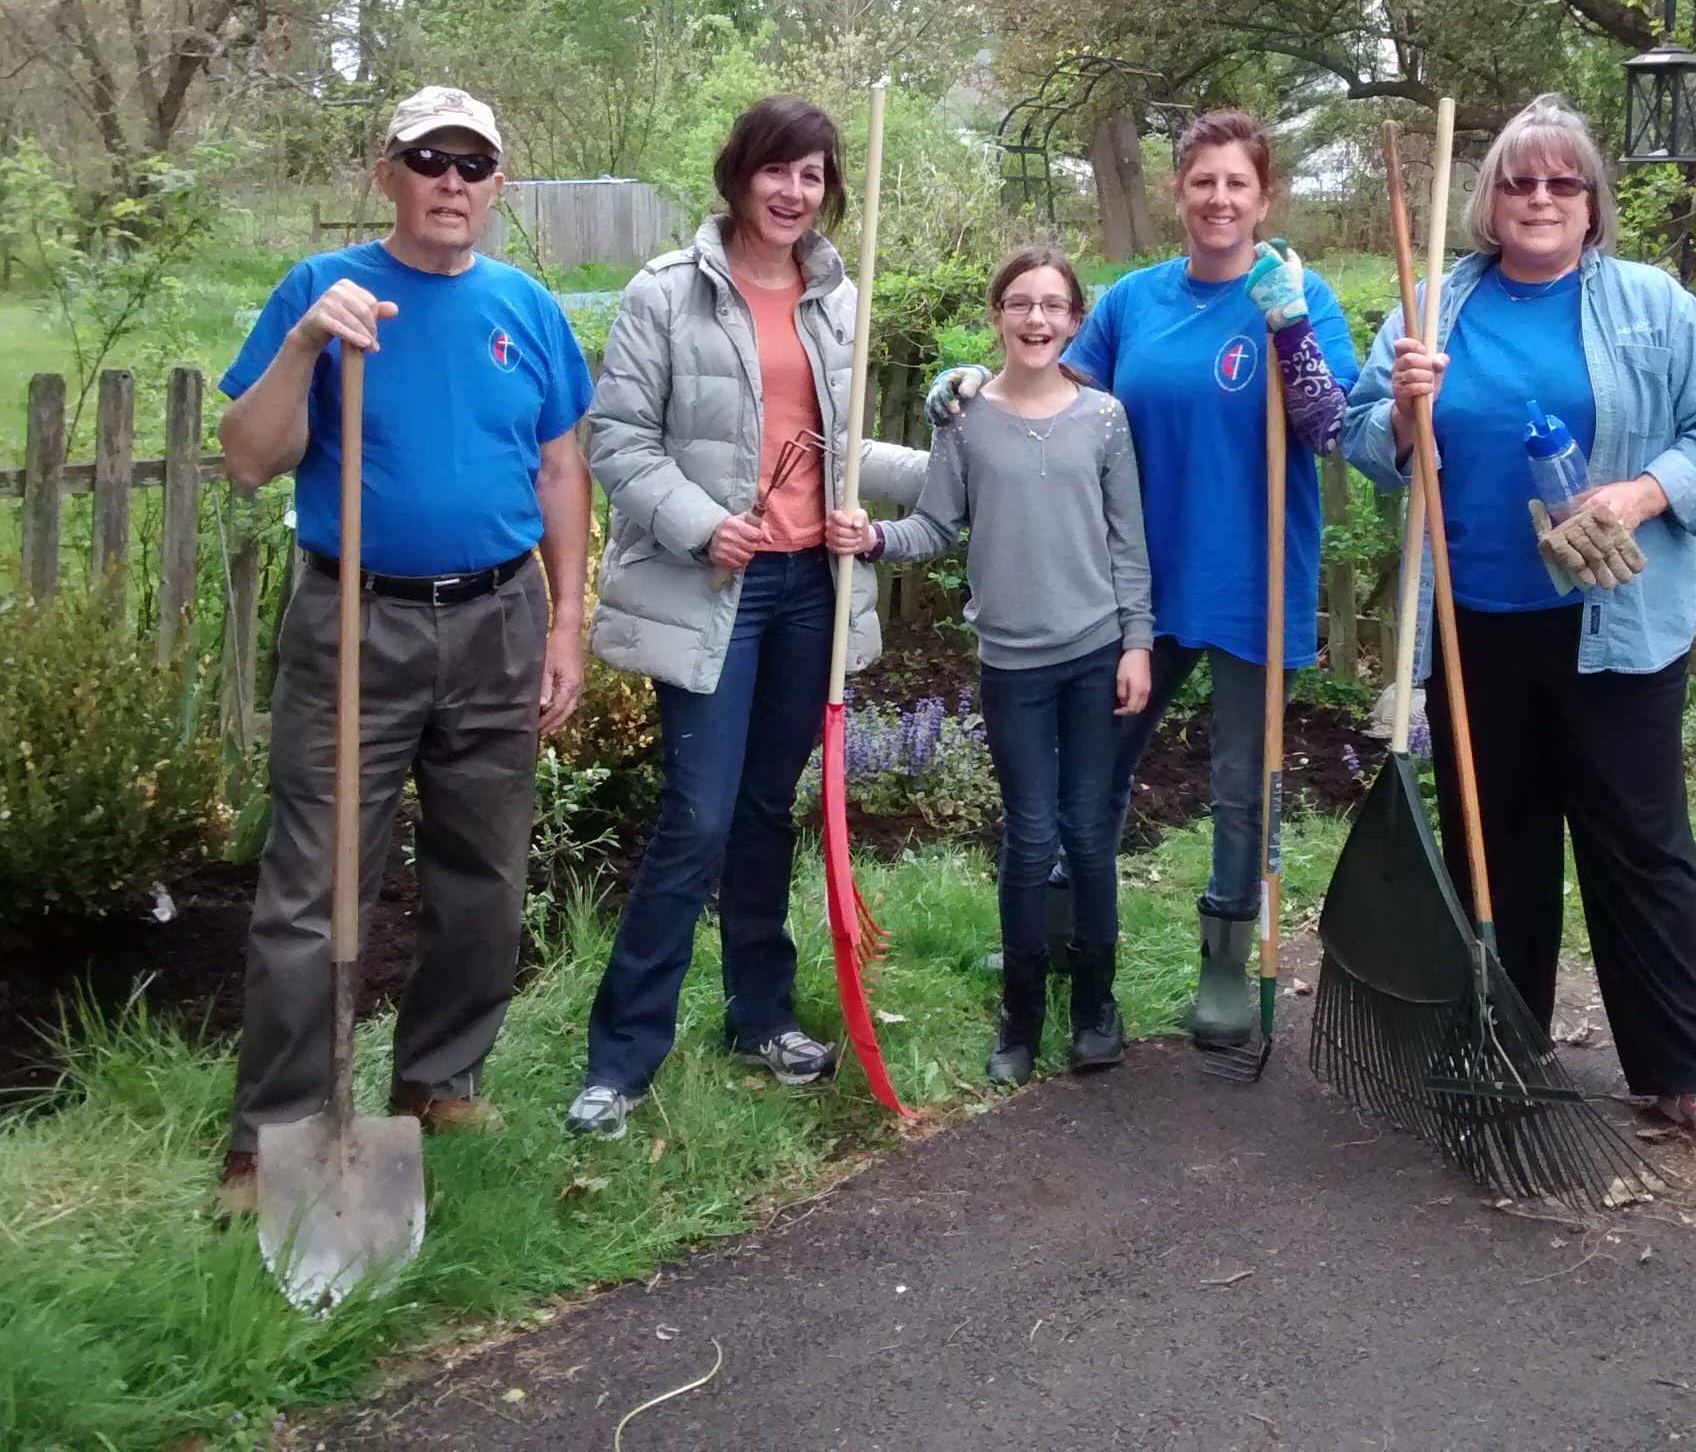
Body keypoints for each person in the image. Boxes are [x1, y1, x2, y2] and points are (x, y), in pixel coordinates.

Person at [1343, 92, 1696, 1163]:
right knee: (1498, 845)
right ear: (1489, 199)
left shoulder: (1651, 305)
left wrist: (1640, 494)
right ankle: (1506, 1051)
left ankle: (1686, 1072)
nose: (1539, 198)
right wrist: (1402, 406)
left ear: (1590, 204)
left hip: (1616, 626)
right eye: (1519, 182)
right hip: (1476, 625)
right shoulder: (1432, 308)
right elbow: (1360, 439)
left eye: (1561, 182)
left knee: (1640, 845)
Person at [214, 85, 593, 1216]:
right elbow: (248, 457)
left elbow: (561, 468)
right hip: (357, 621)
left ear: (498, 185)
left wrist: (567, 620)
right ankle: (273, 1136)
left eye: (474, 163)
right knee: (315, 888)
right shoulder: (324, 295)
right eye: (429, 160)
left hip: (497, 621)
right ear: (389, 174)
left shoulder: (526, 307)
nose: (453, 183)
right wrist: (301, 348)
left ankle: (437, 1079)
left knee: (485, 878)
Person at [928, 110, 1360, 1044]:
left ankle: (1225, 964)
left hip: (1254, 575)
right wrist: (970, 382)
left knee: (1246, 780)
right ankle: (1060, 931)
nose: (1219, 198)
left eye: (1237, 183)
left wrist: (1289, 331)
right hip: (1134, 588)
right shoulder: (1133, 301)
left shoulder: (1297, 291)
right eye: (1202, 180)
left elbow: (1329, 427)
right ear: (1177, 190)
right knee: (1099, 768)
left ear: (1263, 196)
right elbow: (1048, 398)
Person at [564, 95, 926, 1140]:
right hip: (716, 586)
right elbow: (620, 441)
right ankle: (622, 1057)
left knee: (769, 809)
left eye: (812, 176)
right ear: (739, 174)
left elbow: (852, 445)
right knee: (700, 817)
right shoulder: (666, 294)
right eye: (777, 170)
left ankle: (760, 1016)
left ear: (828, 191)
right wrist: (700, 525)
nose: (792, 192)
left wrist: (969, 441)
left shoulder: (835, 299)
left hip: (810, 584)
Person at [830, 245, 1154, 1084]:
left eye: (1052, 305)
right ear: (997, 316)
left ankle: (1094, 1006)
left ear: (1075, 321)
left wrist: (1139, 645)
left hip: (1093, 657)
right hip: (1012, 664)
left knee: (1087, 836)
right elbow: (935, 528)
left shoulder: (1106, 419)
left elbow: (1128, 544)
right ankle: (1019, 1014)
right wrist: (871, 537)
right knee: (1029, 834)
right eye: (1020, 304)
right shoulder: (964, 421)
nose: (1036, 319)